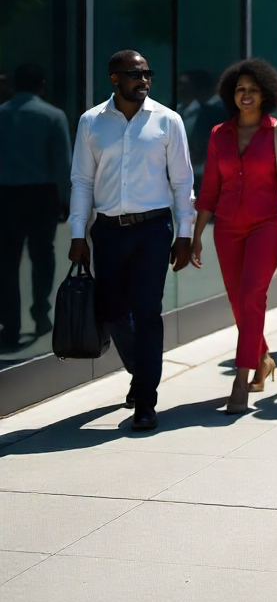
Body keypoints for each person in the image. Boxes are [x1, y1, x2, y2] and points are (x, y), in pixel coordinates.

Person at [69, 51, 194, 431]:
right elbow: (82, 181)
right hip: (108, 231)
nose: (143, 80)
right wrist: (78, 233)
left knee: (147, 313)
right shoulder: (91, 122)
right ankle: (141, 373)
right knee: (111, 312)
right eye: (135, 74)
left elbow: (182, 182)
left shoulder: (167, 120)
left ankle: (145, 400)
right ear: (114, 79)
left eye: (147, 74)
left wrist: (185, 234)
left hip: (152, 230)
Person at [191, 59, 277, 414]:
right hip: (226, 227)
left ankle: (240, 381)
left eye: (253, 89)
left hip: (267, 224)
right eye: (240, 89)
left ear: (266, 94)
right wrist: (196, 235)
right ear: (231, 93)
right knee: (237, 301)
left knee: (252, 296)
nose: (246, 95)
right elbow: (209, 188)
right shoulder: (219, 134)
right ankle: (262, 357)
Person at [0, 63, 72, 350]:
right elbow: (62, 162)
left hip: (6, 195)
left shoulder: (2, 114)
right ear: (41, 85)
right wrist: (66, 199)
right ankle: (41, 310)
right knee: (43, 255)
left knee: (7, 262)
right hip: (42, 194)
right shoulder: (53, 116)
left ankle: (10, 324)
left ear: (14, 84)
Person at [177, 68, 227, 186]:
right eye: (179, 85)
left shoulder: (211, 112)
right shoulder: (176, 110)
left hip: (201, 170)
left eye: (185, 85)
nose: (180, 89)